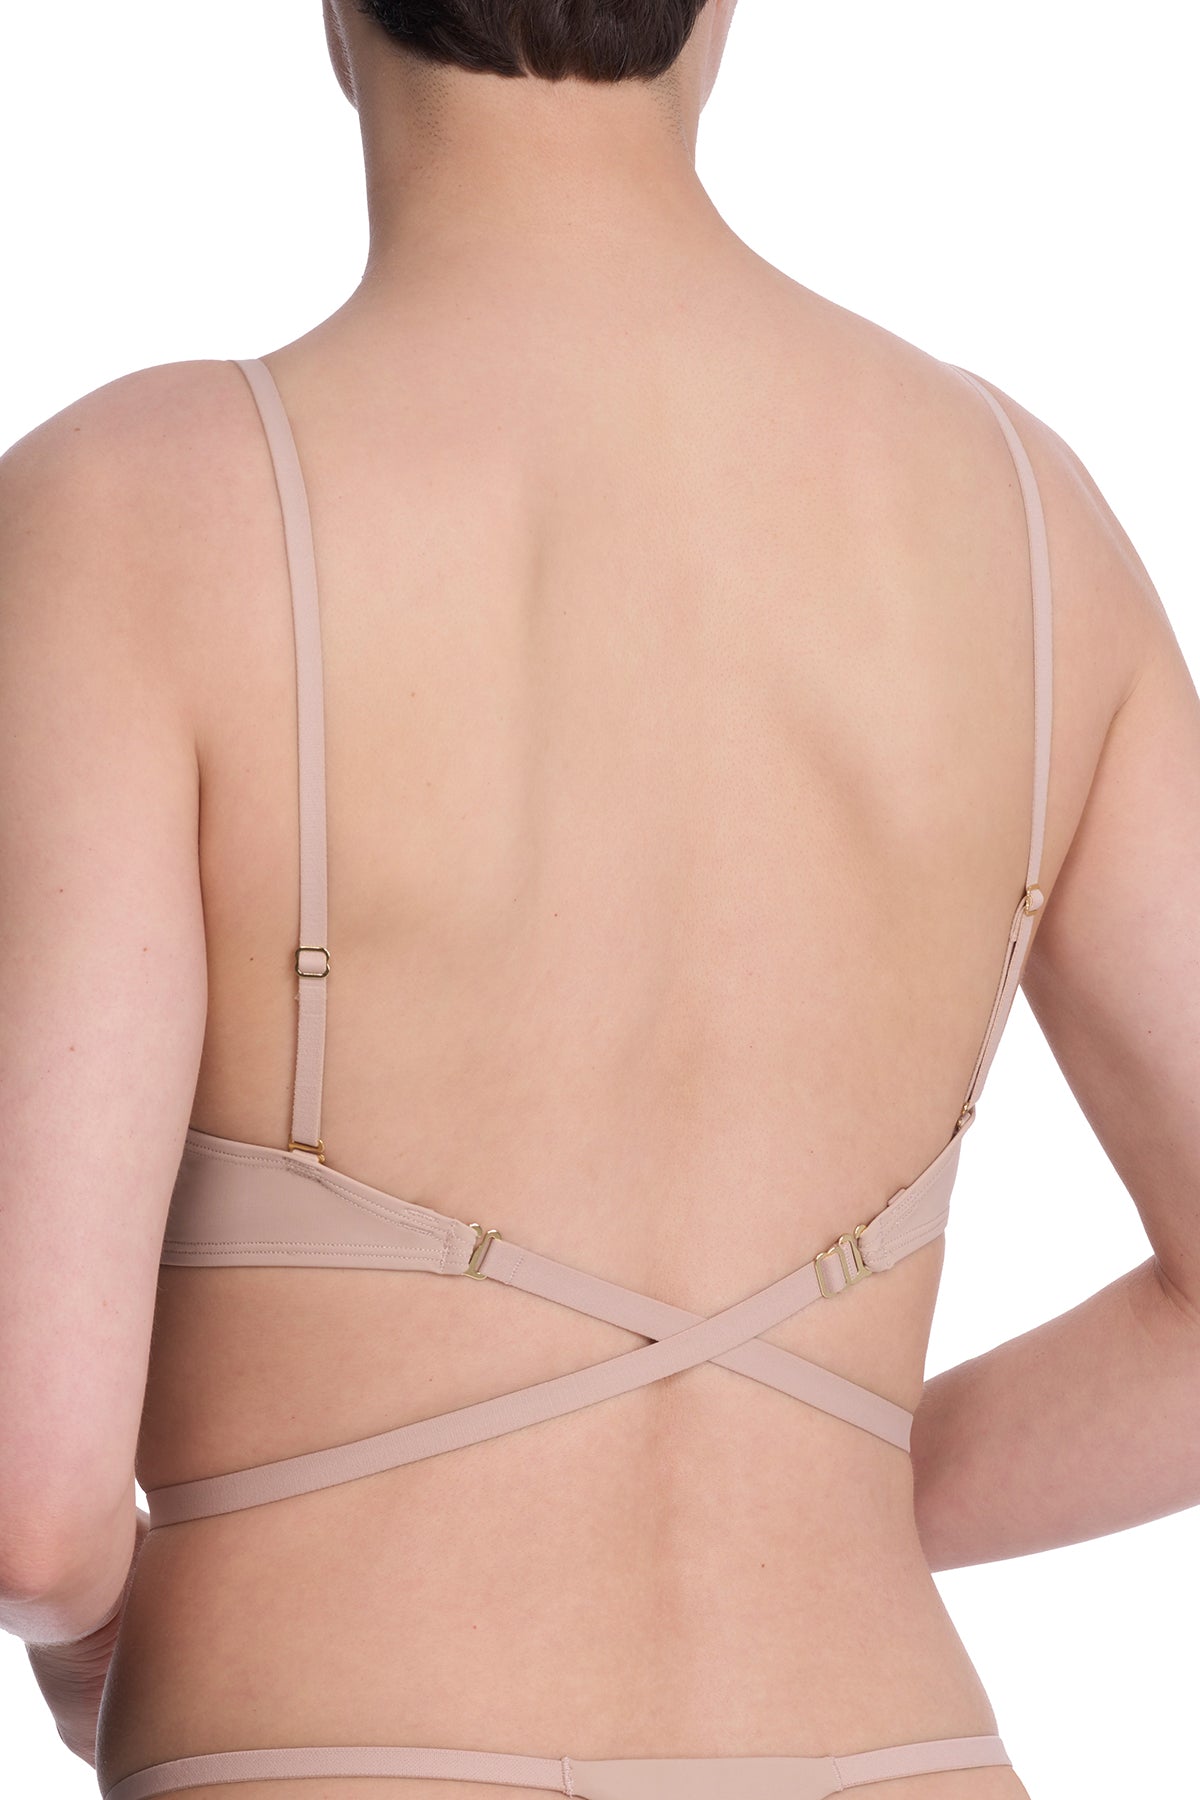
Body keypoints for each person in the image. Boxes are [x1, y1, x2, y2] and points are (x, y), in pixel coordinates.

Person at [2, 3, 1198, 1797]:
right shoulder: (1029, 515)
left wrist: (103, 1635)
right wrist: (836, 1489)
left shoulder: (132, 515)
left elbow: (34, 1502)